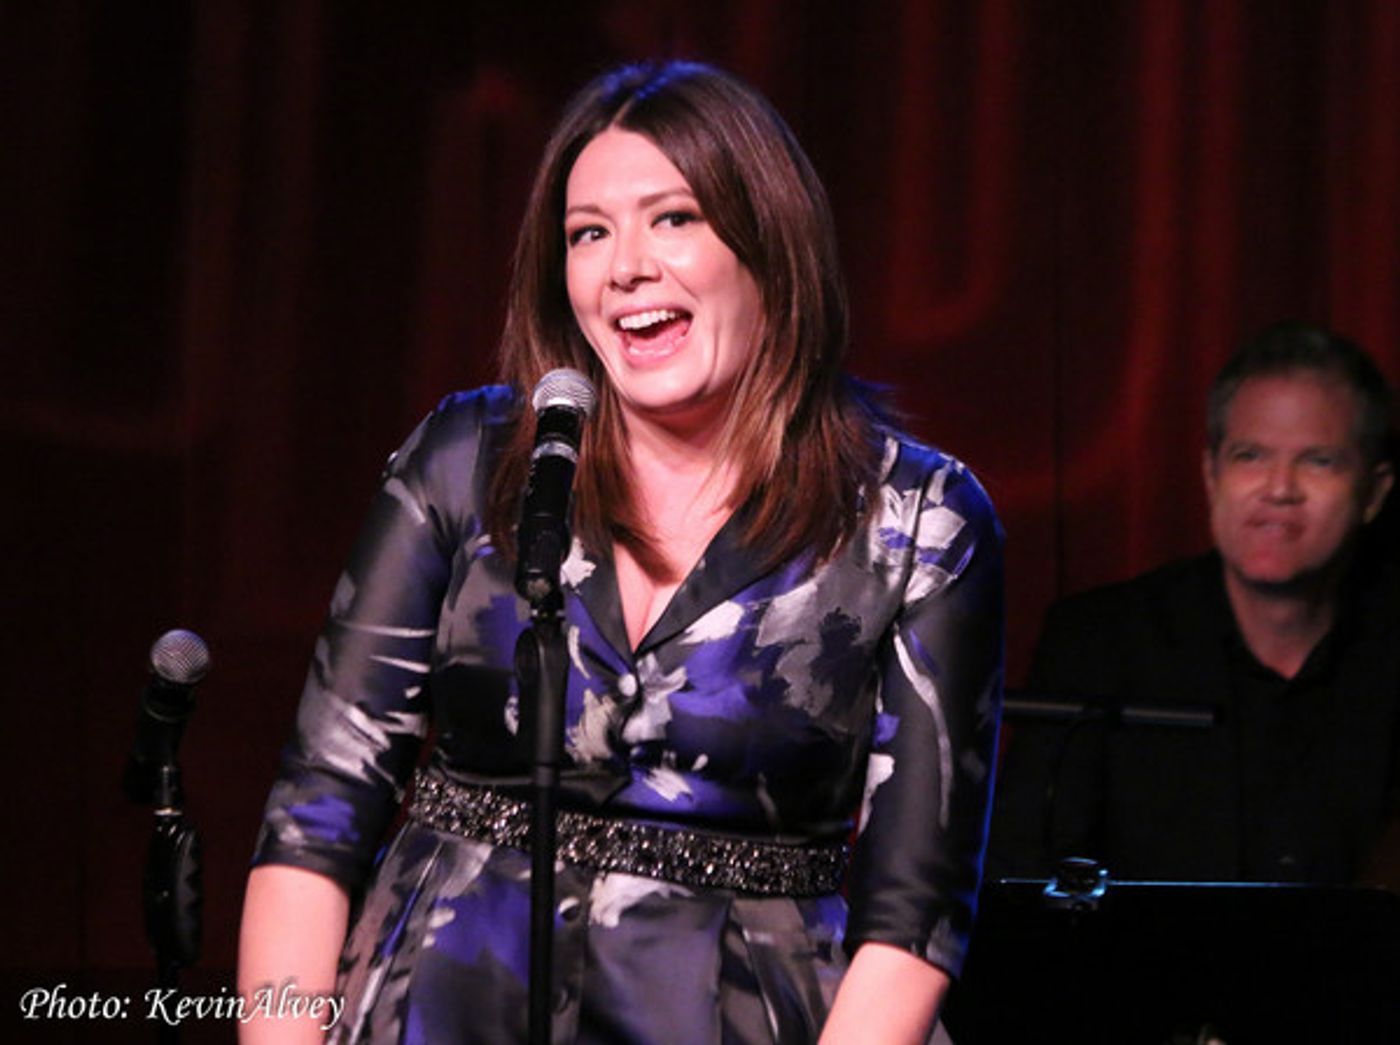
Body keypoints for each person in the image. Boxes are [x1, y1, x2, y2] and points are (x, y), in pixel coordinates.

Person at [238, 60, 1004, 1044]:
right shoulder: (471, 461)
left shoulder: (916, 517)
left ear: (768, 240)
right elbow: (317, 812)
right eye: (587, 232)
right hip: (436, 1007)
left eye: (672, 218)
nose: (623, 266)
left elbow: (912, 911)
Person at [987, 322, 1398, 885]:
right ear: (1211, 474)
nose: (1279, 488)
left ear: (1374, 493)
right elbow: (1022, 877)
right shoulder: (1101, 641)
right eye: (1250, 455)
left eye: (1318, 461)